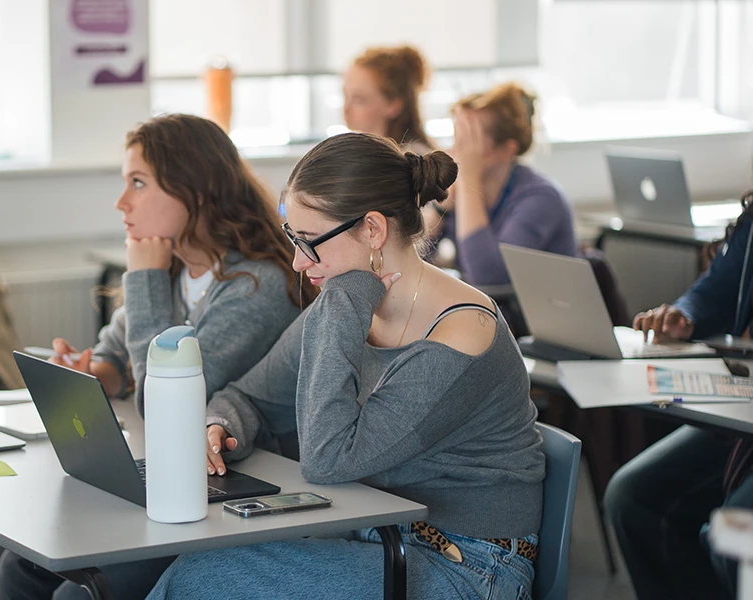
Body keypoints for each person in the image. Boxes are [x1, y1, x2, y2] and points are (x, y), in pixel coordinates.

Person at [143, 132, 545, 599]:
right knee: (196, 561)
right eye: (293, 238)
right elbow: (249, 396)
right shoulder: (350, 299)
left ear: (373, 230)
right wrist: (219, 426)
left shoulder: (461, 333)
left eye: (310, 241)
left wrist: (342, 305)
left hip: (468, 564)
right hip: (377, 532)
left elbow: (327, 459)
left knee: (203, 575)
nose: (298, 262)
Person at [0, 114, 314, 600]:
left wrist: (143, 280)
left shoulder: (257, 287)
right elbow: (114, 353)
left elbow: (165, 407)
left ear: (195, 191)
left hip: (241, 489)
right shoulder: (175, 268)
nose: (122, 202)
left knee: (77, 595)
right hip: (181, 477)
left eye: (139, 183)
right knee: (20, 569)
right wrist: (91, 372)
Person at [605, 190, 753, 600]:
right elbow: (719, 286)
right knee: (632, 498)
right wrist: (686, 314)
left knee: (736, 537)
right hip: (743, 417)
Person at [427, 82, 576, 286]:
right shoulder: (461, 194)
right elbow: (414, 258)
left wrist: (469, 179)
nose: (455, 150)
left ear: (506, 150)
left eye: (469, 140)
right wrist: (439, 209)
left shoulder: (542, 198)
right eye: (457, 137)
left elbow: (488, 277)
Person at [343, 45, 436, 152]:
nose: (346, 109)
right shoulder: (363, 152)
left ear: (394, 104)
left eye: (359, 100)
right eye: (345, 95)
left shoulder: (411, 157)